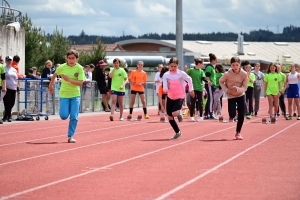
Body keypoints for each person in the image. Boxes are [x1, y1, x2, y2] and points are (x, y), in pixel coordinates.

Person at [49, 50, 85, 143]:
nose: (71, 60)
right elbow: (54, 75)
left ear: (76, 59)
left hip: (75, 95)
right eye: (69, 58)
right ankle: (66, 110)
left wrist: (69, 80)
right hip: (64, 95)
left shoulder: (79, 68)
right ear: (67, 58)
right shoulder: (62, 67)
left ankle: (70, 136)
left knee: (74, 117)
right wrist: (51, 85)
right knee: (64, 116)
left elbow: (80, 83)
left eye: (73, 58)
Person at [162, 57, 194, 140]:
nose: (173, 68)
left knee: (175, 113)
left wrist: (191, 89)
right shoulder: (166, 75)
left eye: (175, 66)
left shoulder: (181, 73)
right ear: (169, 66)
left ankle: (179, 113)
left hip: (180, 96)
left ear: (178, 65)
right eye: (171, 66)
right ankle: (178, 132)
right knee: (169, 116)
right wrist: (166, 88)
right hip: (170, 96)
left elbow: (189, 79)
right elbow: (164, 87)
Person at [219, 56, 248, 140]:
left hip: (240, 95)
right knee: (232, 115)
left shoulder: (244, 74)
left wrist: (238, 89)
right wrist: (226, 90)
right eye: (233, 65)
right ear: (231, 65)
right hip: (231, 96)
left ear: (240, 65)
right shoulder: (227, 74)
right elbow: (221, 81)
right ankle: (235, 110)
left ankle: (238, 132)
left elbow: (245, 87)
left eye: (237, 65)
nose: (235, 67)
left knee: (241, 115)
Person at [2, 56, 19, 122]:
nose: (9, 61)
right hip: (7, 87)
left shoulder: (14, 69)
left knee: (12, 102)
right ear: (6, 61)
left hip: (13, 87)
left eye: (10, 60)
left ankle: (6, 115)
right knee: (7, 103)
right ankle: (8, 116)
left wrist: (17, 88)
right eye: (8, 60)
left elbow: (16, 79)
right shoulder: (4, 68)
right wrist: (4, 86)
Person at [204, 53, 217, 119]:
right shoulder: (209, 67)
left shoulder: (212, 67)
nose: (216, 61)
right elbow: (207, 76)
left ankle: (206, 113)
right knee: (211, 99)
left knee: (210, 99)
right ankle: (210, 113)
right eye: (216, 60)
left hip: (212, 84)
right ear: (213, 60)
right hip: (209, 85)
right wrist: (209, 82)